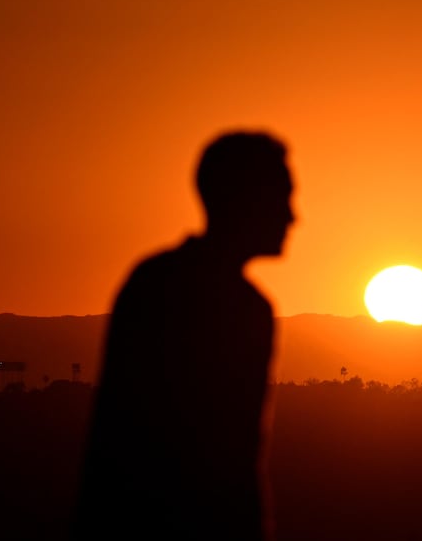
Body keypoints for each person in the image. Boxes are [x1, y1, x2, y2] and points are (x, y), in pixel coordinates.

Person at [73, 131, 295, 541]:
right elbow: (234, 456)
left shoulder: (153, 281)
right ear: (245, 200)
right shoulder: (240, 308)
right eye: (282, 196)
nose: (291, 215)